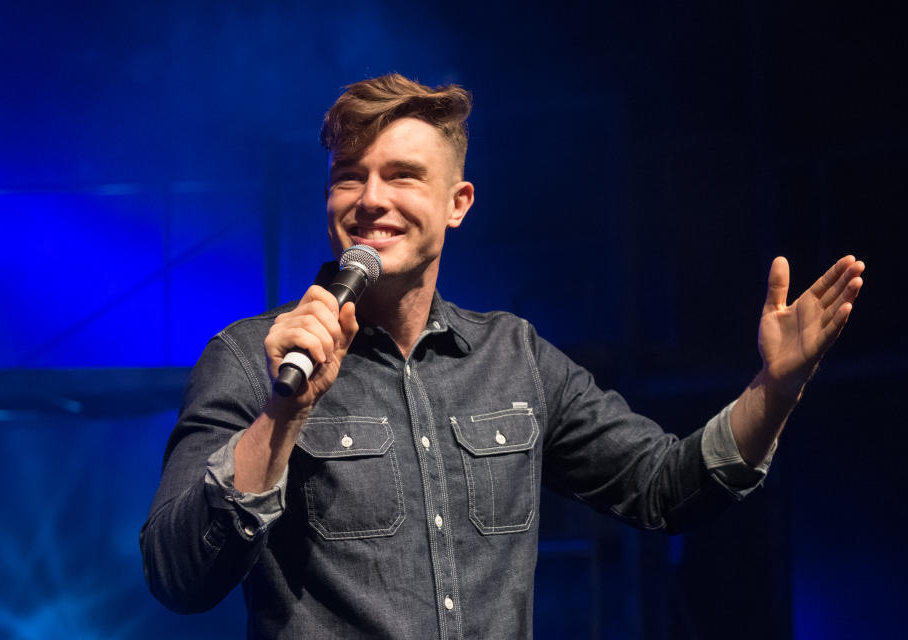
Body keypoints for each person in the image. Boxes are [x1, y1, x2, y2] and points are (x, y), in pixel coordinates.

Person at [140, 74, 864, 638]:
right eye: (348, 176)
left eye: (402, 176)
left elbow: (665, 487)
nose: (369, 198)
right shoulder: (248, 357)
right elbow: (177, 575)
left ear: (458, 202)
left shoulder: (513, 356)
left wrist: (776, 387)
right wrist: (283, 411)